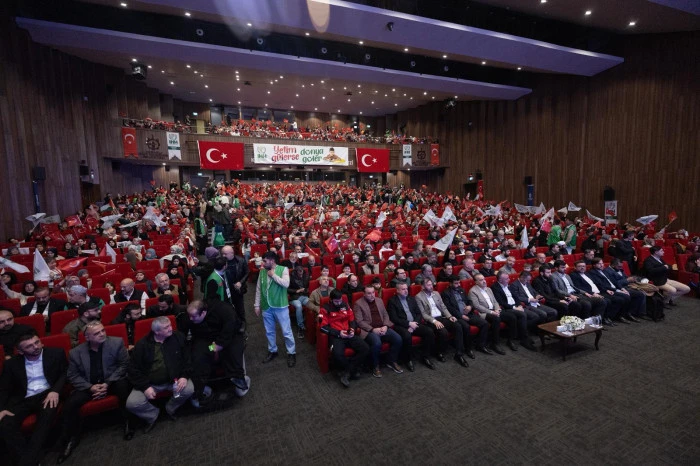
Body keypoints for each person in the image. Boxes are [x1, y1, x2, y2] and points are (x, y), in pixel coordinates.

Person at [57, 321, 133, 463]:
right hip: (89, 385)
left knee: (123, 386)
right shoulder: (76, 353)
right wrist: (90, 387)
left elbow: (124, 365)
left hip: (112, 381)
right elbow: (72, 375)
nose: (102, 334)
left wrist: (107, 384)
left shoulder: (116, 343)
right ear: (87, 337)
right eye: (97, 333)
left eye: (103, 330)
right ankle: (71, 439)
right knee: (70, 405)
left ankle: (128, 422)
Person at [0, 332, 68, 466]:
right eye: (29, 346)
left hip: (46, 394)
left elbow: (65, 373)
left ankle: (27, 462)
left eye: (37, 342)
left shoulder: (56, 353)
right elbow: (3, 389)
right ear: (20, 351)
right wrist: (1, 409)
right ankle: (29, 460)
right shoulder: (11, 364)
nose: (36, 347)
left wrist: (55, 390)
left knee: (46, 417)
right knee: (5, 423)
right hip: (22, 399)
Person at [126, 316, 194, 433]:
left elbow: (187, 359)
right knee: (132, 403)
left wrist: (184, 376)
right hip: (150, 383)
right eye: (166, 327)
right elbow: (133, 369)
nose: (170, 328)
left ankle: (170, 408)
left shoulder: (178, 337)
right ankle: (153, 414)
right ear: (156, 332)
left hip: (174, 380)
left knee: (189, 389)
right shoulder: (142, 345)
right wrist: (145, 387)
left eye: (170, 325)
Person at [178, 300, 248, 406]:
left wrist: (220, 343)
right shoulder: (190, 317)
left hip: (228, 337)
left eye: (193, 316)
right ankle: (199, 386)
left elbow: (230, 329)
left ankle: (238, 377)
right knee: (199, 355)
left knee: (232, 351)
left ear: (203, 313)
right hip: (206, 340)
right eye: (190, 316)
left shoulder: (224, 310)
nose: (190, 319)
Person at [319, 289, 370, 388]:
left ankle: (347, 371)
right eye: (336, 301)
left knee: (365, 348)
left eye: (340, 300)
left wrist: (352, 329)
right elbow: (322, 327)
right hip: (336, 336)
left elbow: (352, 319)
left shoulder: (345, 305)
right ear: (331, 300)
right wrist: (339, 333)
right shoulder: (325, 309)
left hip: (349, 333)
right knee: (337, 354)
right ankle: (352, 370)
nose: (339, 303)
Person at [253, 251, 296, 367]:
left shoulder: (283, 269)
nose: (262, 263)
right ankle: (272, 350)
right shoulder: (262, 271)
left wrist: (273, 275)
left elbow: (286, 284)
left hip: (280, 306)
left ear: (272, 260)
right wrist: (256, 305)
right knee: (269, 331)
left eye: (265, 261)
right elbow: (258, 289)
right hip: (266, 306)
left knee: (286, 331)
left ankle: (291, 352)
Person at [415, 280, 470, 367]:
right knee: (443, 332)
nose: (431, 286)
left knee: (457, 325)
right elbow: (423, 314)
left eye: (431, 284)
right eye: (428, 285)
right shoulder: (418, 297)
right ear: (422, 287)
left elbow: (443, 307)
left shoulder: (436, 293)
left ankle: (459, 354)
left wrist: (449, 316)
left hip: (441, 317)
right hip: (431, 320)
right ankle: (439, 352)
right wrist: (434, 321)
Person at [353, 285, 404, 377]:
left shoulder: (379, 300)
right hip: (369, 330)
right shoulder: (358, 304)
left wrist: (385, 326)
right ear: (364, 294)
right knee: (377, 343)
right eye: (369, 293)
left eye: (373, 292)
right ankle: (375, 366)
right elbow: (359, 321)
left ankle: (391, 361)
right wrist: (372, 329)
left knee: (398, 339)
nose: (372, 295)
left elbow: (385, 315)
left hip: (382, 327)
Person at [386, 283, 435, 371]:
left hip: (414, 323)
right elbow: (394, 318)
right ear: (397, 291)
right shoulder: (392, 301)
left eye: (406, 289)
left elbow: (419, 313)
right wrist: (408, 324)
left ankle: (425, 357)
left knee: (429, 331)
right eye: (403, 289)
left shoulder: (411, 299)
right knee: (407, 336)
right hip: (401, 325)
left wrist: (414, 324)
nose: (406, 291)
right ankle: (408, 360)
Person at [482, 272, 535, 351]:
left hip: (515, 306)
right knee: (522, 315)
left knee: (533, 316)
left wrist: (519, 305)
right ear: (500, 280)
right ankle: (523, 339)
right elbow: (501, 302)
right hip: (507, 308)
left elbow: (516, 297)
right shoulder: (495, 287)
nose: (509, 280)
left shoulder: (508, 285)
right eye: (506, 279)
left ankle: (522, 335)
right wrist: (514, 308)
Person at [441, 276, 490, 357]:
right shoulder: (445, 293)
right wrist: (461, 316)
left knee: (484, 323)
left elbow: (469, 301)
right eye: (456, 283)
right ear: (450, 284)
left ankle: (480, 345)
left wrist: (470, 306)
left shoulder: (461, 290)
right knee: (466, 327)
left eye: (459, 283)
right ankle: (468, 349)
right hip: (457, 316)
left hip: (469, 313)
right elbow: (449, 308)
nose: (458, 285)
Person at [587, 257, 642, 322]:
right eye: (599, 264)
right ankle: (617, 316)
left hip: (614, 288)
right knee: (624, 297)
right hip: (606, 290)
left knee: (634, 294)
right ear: (594, 265)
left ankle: (626, 314)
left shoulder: (604, 271)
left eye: (602, 263)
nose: (602, 265)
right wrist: (615, 290)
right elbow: (600, 285)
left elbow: (615, 282)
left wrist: (622, 289)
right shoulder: (592, 273)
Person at [569, 260, 618, 326]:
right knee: (604, 301)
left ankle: (606, 318)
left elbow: (597, 283)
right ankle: (598, 321)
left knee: (613, 299)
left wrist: (606, 290)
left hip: (599, 291)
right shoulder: (573, 275)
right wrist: (592, 293)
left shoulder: (587, 274)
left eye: (583, 266)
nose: (582, 268)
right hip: (588, 294)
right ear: (575, 267)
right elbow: (579, 287)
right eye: (579, 266)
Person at [221, 245, 249, 324]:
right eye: (222, 253)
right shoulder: (221, 261)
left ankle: (242, 323)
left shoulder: (241, 261)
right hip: (226, 288)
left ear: (232, 253)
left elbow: (247, 272)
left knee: (239, 307)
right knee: (227, 308)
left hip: (237, 289)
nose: (223, 256)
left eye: (225, 254)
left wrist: (241, 282)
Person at [288, 263, 310, 338]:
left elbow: (309, 288)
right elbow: (287, 289)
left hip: (304, 295)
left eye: (302, 273)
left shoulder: (306, 276)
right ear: (296, 272)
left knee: (310, 304)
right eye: (299, 273)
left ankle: (308, 323)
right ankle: (300, 326)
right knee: (298, 306)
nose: (301, 275)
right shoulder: (291, 278)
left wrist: (305, 290)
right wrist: (296, 291)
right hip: (294, 297)